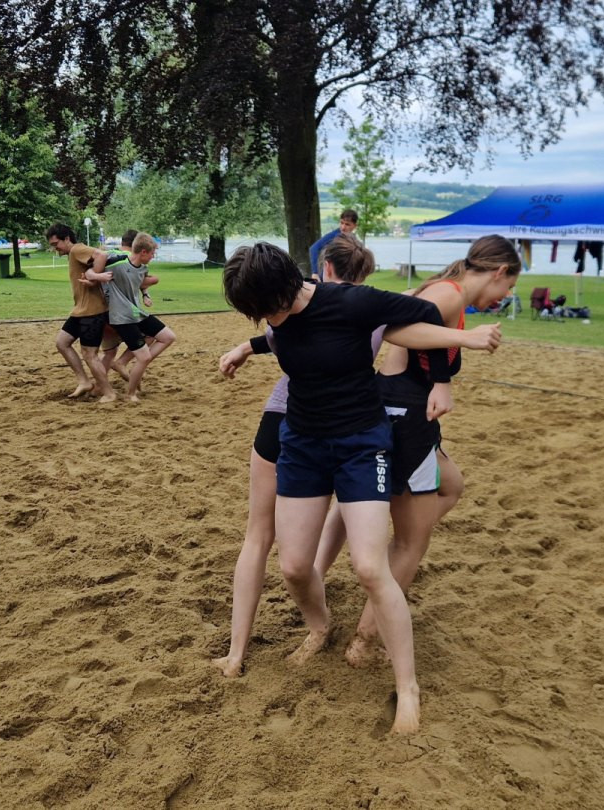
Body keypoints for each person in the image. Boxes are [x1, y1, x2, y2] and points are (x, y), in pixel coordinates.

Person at [218, 241, 499, 734]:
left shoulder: (351, 302)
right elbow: (282, 338)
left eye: (270, 310)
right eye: (259, 315)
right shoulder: (275, 316)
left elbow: (419, 318)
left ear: (289, 286)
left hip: (360, 444)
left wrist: (459, 352)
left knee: (370, 567)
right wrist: (248, 346)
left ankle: (408, 689)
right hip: (302, 442)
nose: (269, 320)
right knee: (294, 566)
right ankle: (320, 627)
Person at [314, 235, 521, 667]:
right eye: (509, 288)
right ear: (499, 272)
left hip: (394, 407)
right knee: (412, 541)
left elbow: (393, 314)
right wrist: (444, 379)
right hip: (406, 417)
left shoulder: (440, 288)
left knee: (452, 484)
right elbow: (399, 331)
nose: (505, 298)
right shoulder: (447, 294)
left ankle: (334, 563)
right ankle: (364, 642)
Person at [101, 232, 175, 402]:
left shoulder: (143, 268)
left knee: (168, 337)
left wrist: (146, 294)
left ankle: (131, 364)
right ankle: (130, 394)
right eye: (152, 253)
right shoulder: (116, 263)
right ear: (143, 252)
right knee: (144, 356)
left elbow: (142, 282)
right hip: (121, 316)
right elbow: (95, 263)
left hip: (135, 312)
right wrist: (94, 276)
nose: (154, 256)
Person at [47, 223, 114, 401]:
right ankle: (84, 381)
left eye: (56, 244)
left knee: (89, 355)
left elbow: (102, 254)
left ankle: (109, 393)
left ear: (67, 239)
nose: (55, 249)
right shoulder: (73, 254)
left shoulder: (77, 249)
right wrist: (95, 276)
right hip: (80, 310)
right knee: (62, 342)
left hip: (92, 312)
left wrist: (95, 278)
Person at [308, 209, 358, 278]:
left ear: (355, 226)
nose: (343, 227)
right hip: (329, 277)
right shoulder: (334, 236)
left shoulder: (353, 239)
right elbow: (313, 249)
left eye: (347, 224)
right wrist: (315, 272)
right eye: (341, 223)